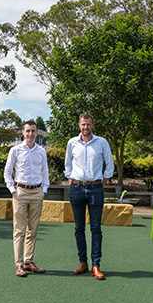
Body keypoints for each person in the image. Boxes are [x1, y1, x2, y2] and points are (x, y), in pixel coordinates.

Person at [64, 113, 114, 280]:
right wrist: (71, 178)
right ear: (79, 125)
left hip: (95, 189)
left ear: (93, 125)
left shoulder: (102, 142)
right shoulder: (72, 143)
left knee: (95, 229)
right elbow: (67, 164)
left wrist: (103, 180)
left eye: (88, 124)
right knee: (79, 228)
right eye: (83, 124)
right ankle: (82, 263)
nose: (86, 127)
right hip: (77, 188)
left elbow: (110, 163)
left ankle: (95, 265)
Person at [4, 120, 50, 277]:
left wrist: (43, 190)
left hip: (37, 193)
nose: (30, 134)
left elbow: (45, 172)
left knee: (33, 229)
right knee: (19, 231)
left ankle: (28, 261)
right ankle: (19, 265)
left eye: (33, 131)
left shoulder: (41, 152)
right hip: (20, 193)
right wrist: (13, 190)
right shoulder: (15, 151)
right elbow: (7, 172)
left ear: (37, 133)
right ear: (23, 133)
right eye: (27, 131)